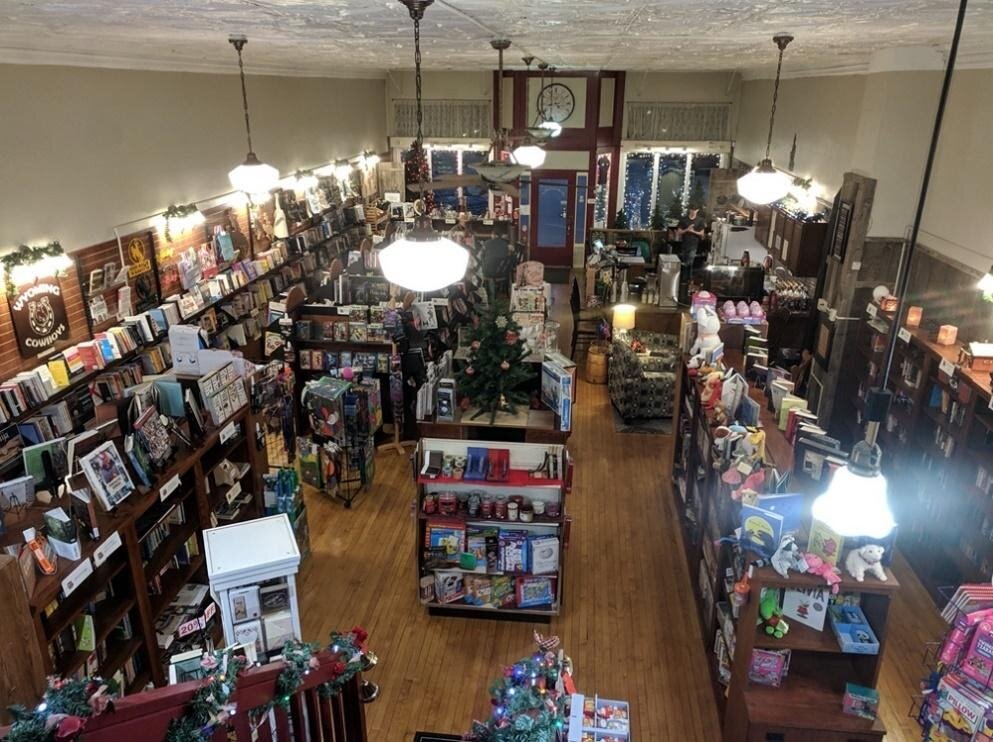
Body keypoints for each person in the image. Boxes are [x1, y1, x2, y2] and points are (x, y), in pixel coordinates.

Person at [676, 204, 707, 300]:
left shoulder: (700, 220)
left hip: (694, 245)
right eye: (692, 209)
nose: (693, 211)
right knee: (684, 263)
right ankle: (683, 282)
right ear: (689, 210)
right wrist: (687, 230)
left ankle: (688, 281)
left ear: (697, 210)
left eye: (695, 209)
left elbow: (702, 234)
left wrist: (693, 231)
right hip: (684, 245)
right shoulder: (684, 219)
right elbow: (679, 232)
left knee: (689, 262)